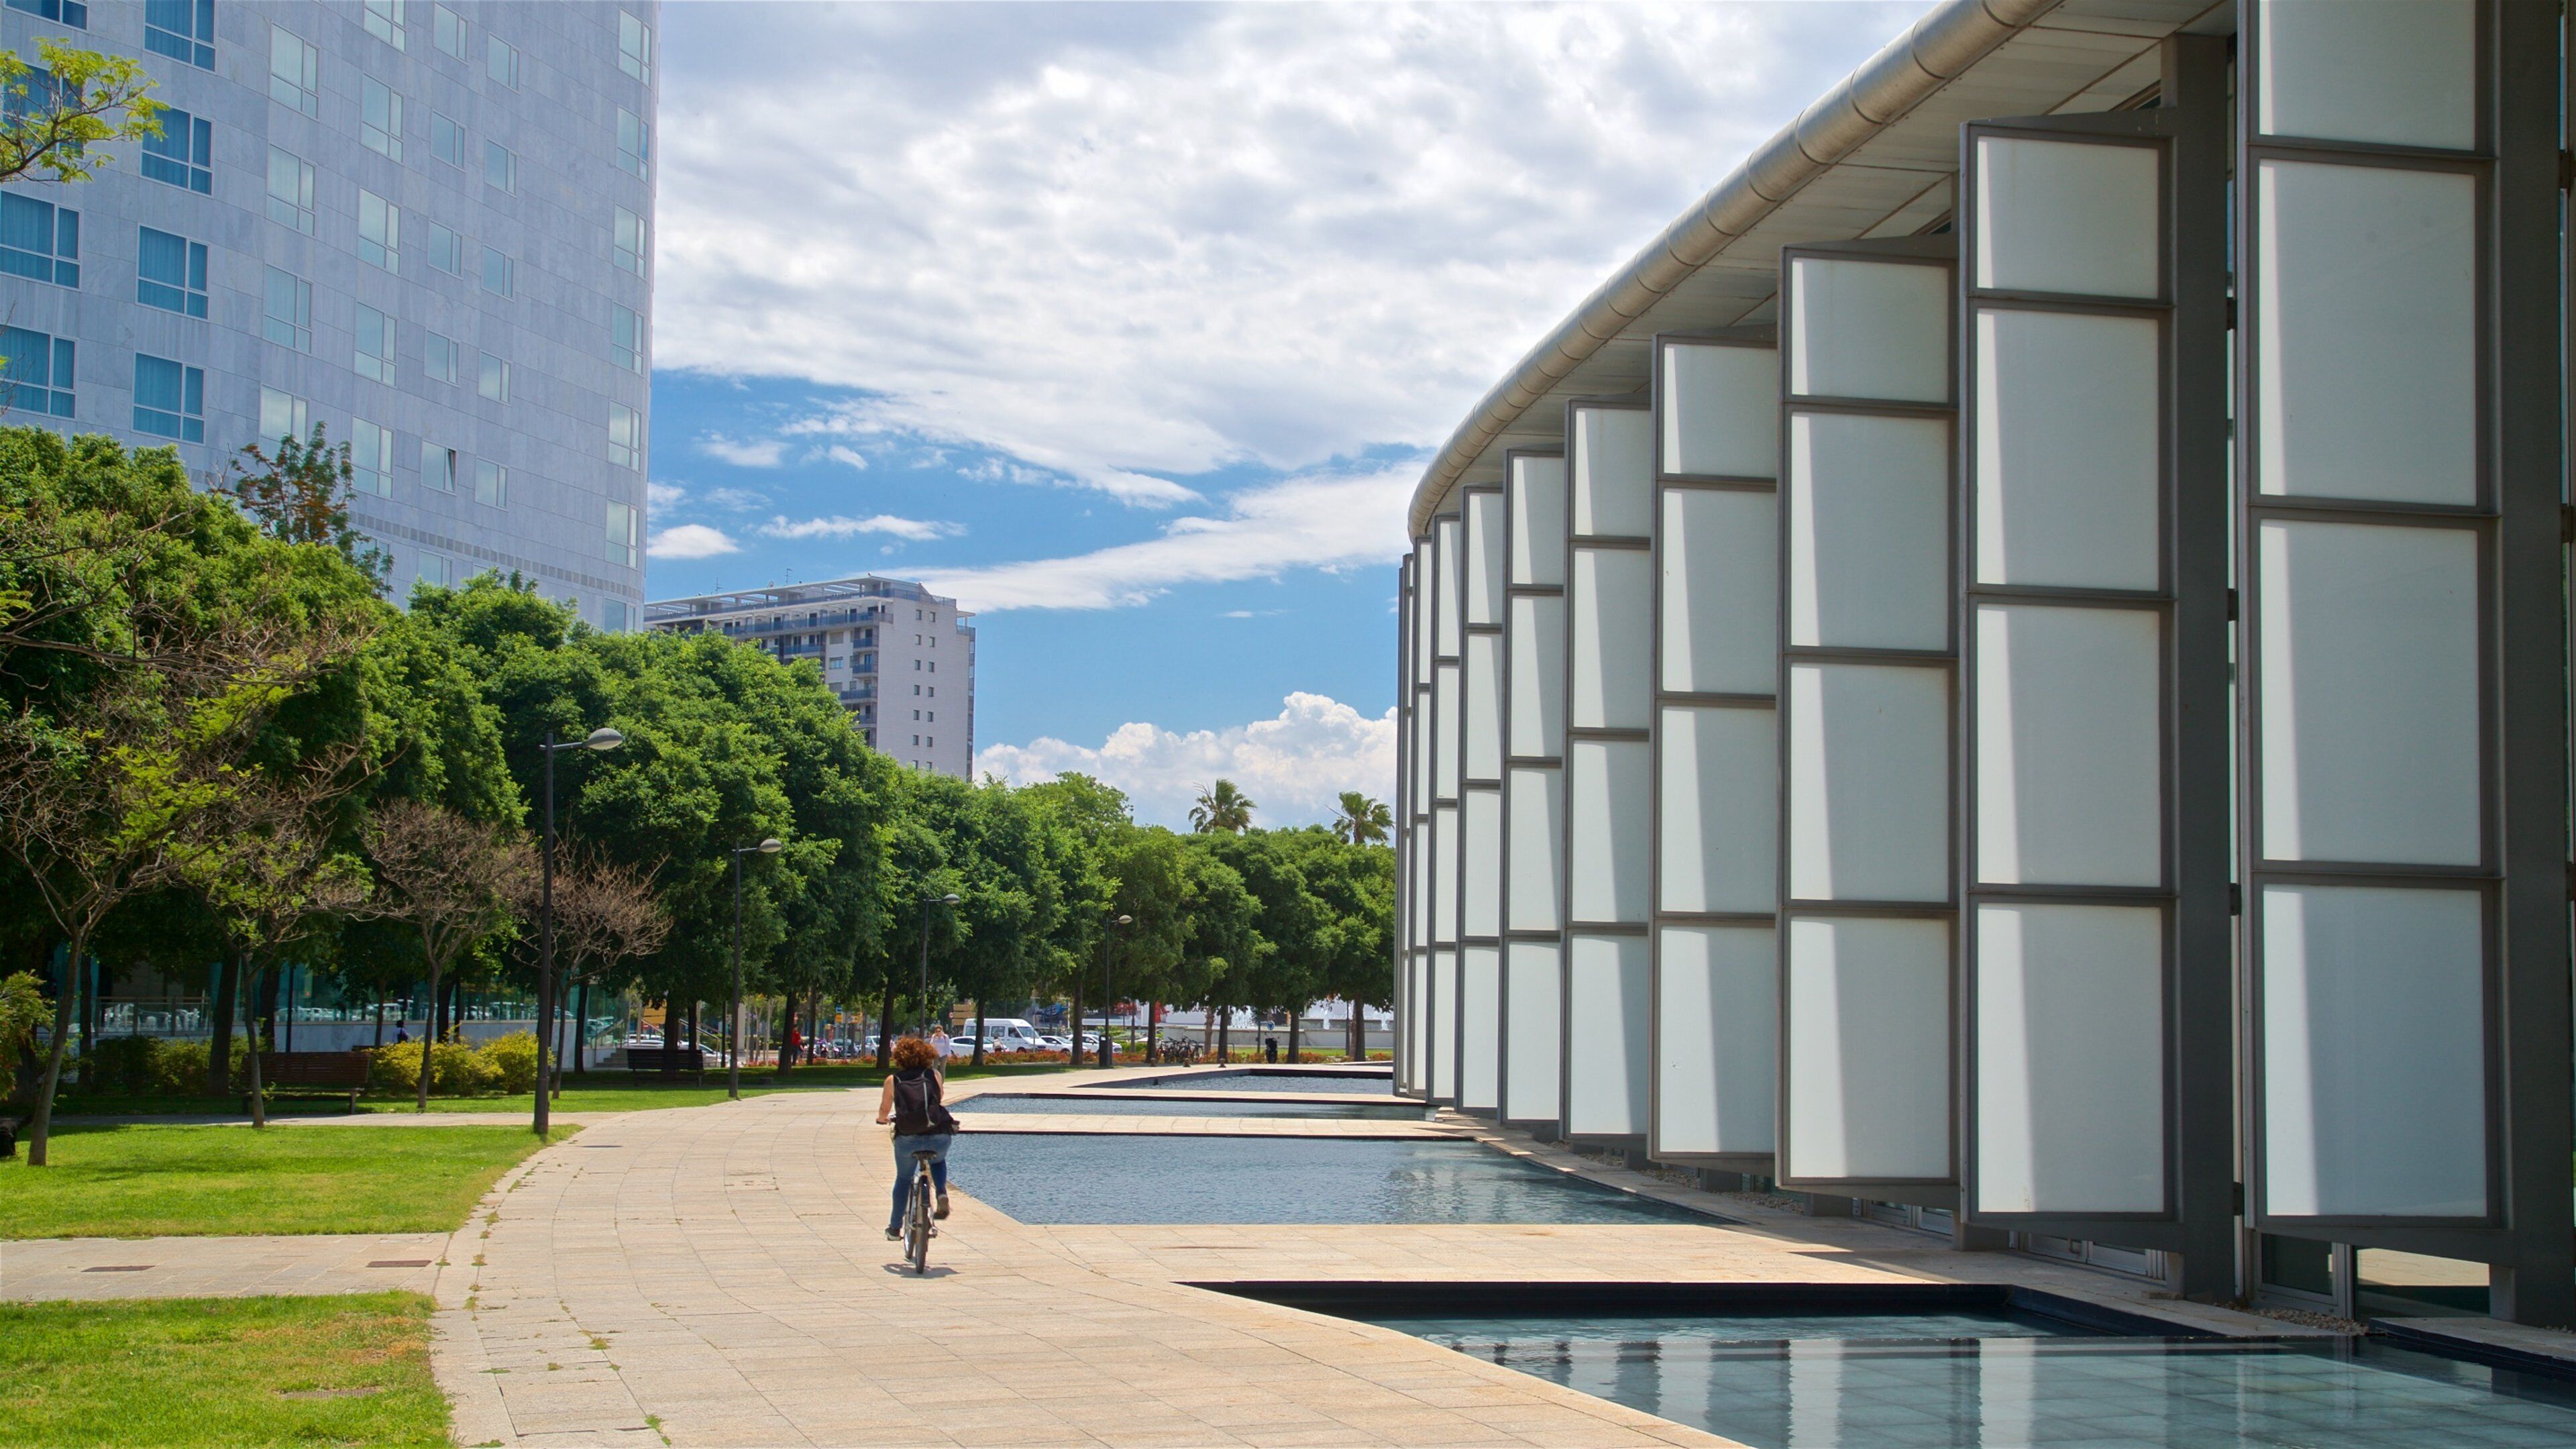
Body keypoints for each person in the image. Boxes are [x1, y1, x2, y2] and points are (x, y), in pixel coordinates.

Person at [876, 1035, 958, 1240]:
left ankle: (895, 1228)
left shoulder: (893, 1080)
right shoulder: (934, 1075)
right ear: (927, 1056)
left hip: (907, 1139)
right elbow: (938, 1098)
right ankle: (940, 1192)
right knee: (938, 1161)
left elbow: (884, 1111)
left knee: (903, 1179)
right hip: (937, 1136)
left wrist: (882, 1119)